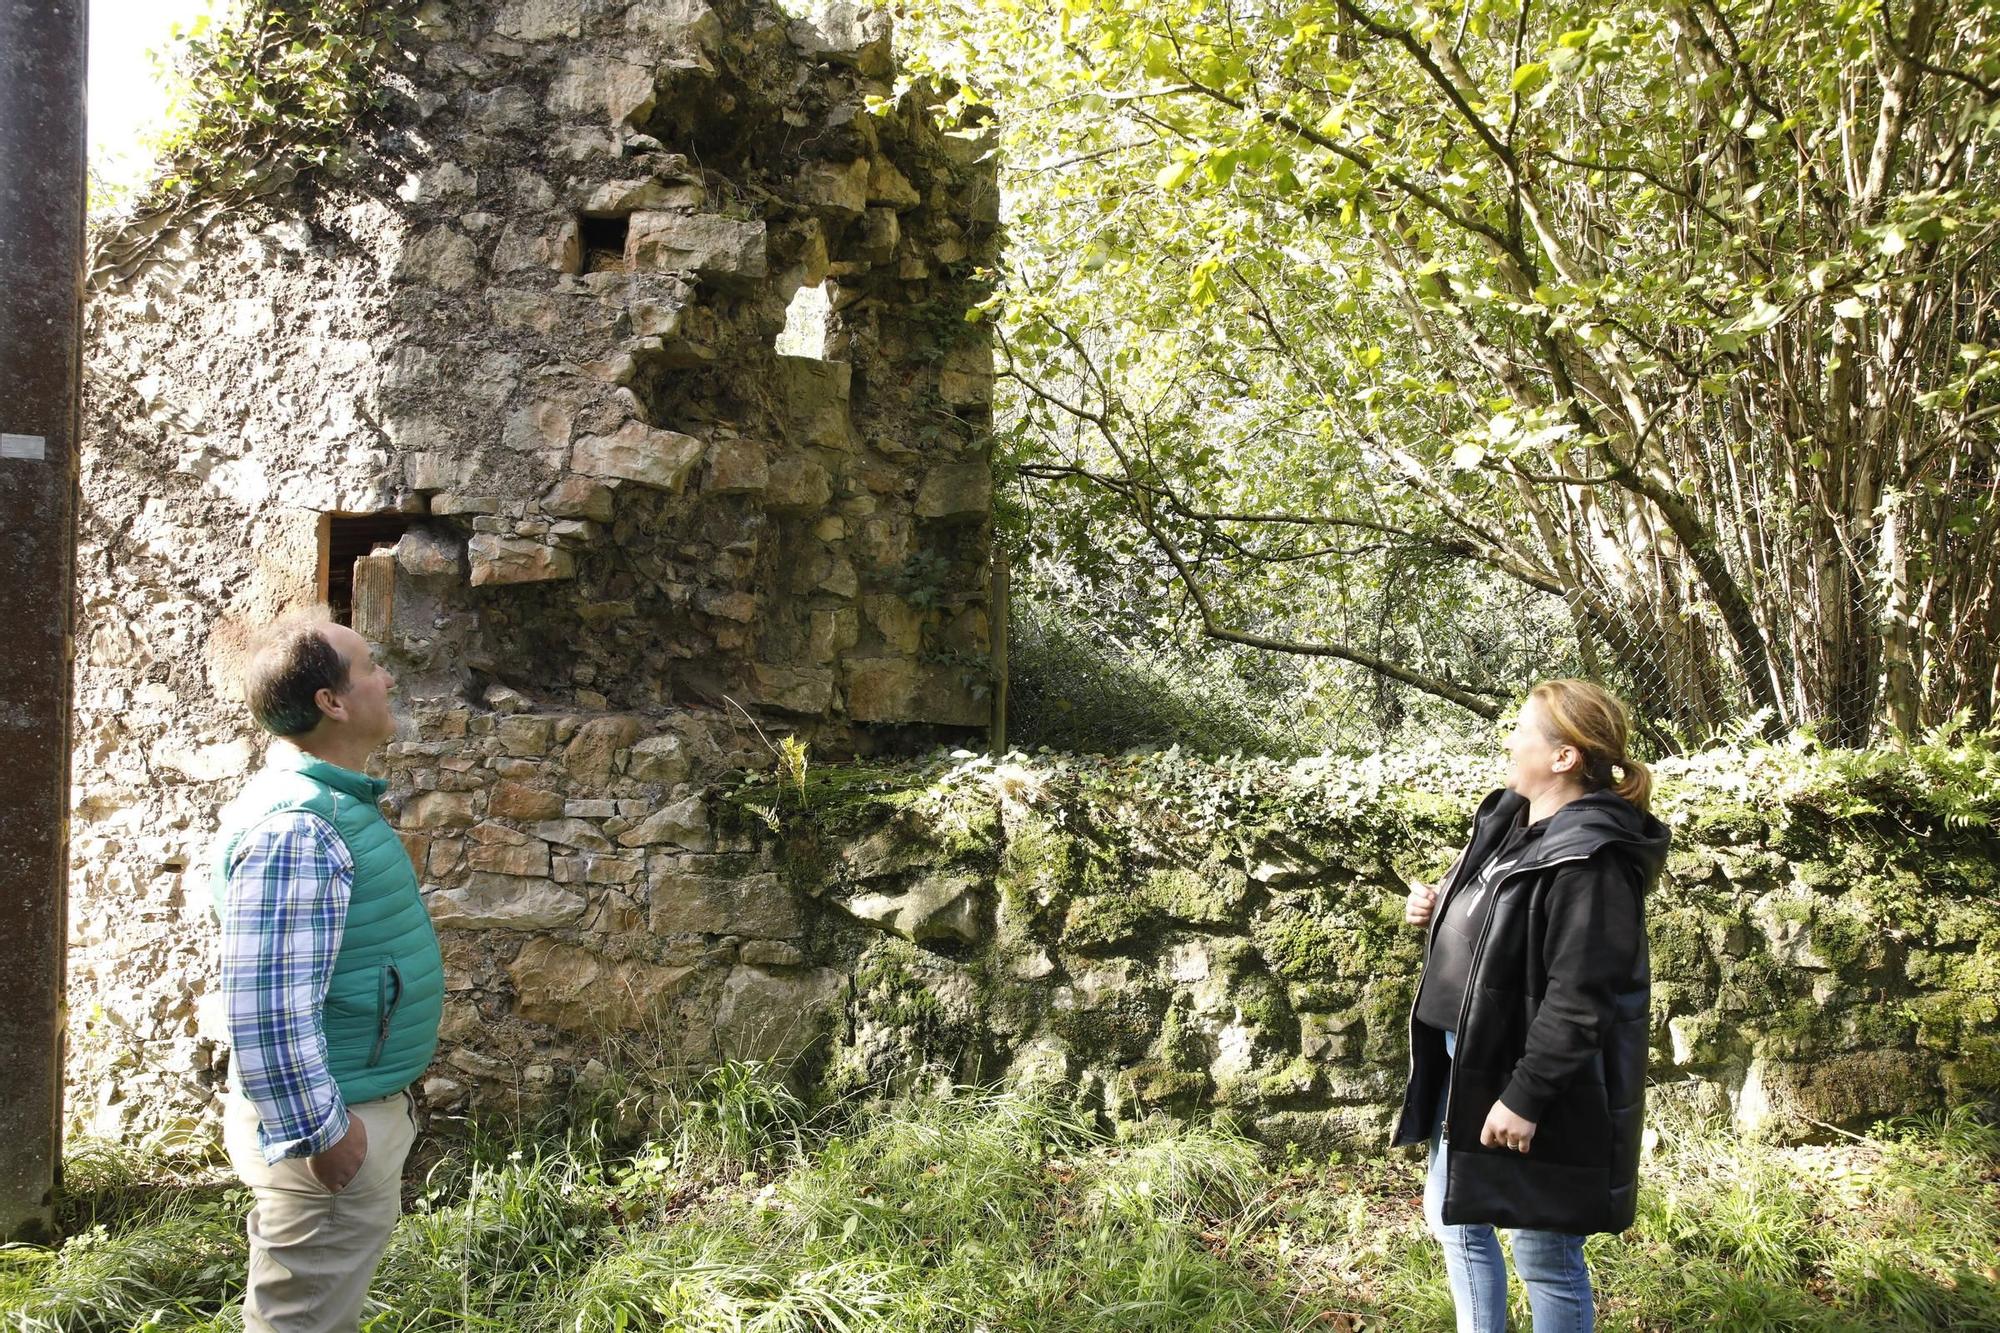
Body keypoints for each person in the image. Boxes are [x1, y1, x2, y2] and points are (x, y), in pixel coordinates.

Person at [1393, 679, 1670, 1333]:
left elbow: (1581, 994)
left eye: (1522, 729)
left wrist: (1526, 1095)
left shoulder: (1593, 857)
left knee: (1544, 1250)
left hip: (1533, 1073)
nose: (1509, 740)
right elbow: (1502, 921)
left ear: (1564, 756)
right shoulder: (1514, 821)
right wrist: (1437, 909)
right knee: (1453, 1216)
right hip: (1470, 1055)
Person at [209, 610, 444, 1333]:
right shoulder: (299, 828)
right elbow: (267, 1006)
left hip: (348, 1109)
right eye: (370, 665)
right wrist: (325, 1136)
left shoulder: (326, 807)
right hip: (330, 1135)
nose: (388, 677)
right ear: (331, 702)